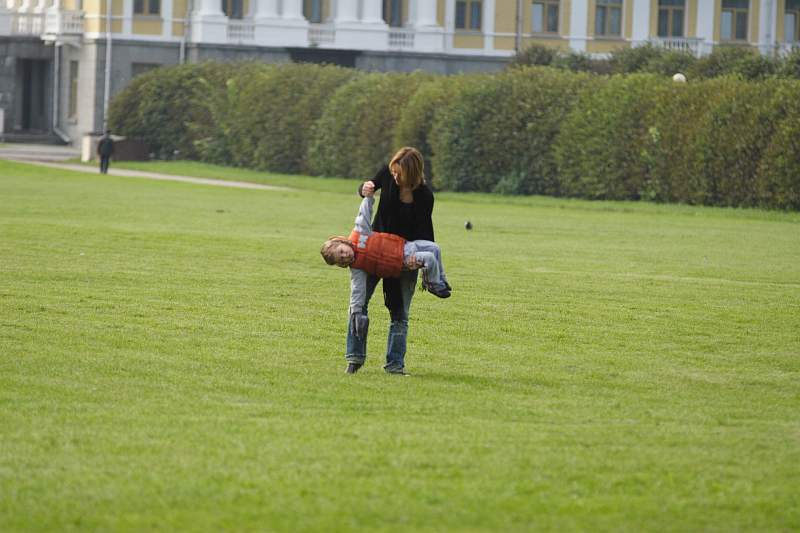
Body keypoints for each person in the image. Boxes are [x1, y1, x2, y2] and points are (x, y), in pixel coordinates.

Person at [334, 147, 446, 376]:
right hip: (373, 251)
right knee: (358, 305)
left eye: (399, 174)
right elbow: (368, 189)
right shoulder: (387, 175)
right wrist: (363, 188)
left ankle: (395, 365)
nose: (394, 177)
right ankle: (354, 359)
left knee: (400, 314)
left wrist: (418, 263)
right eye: (393, 173)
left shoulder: (425, 196)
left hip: (404, 256)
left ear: (412, 174)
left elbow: (424, 231)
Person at [321, 193, 451, 299]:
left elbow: (363, 214)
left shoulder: (359, 234)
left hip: (405, 245)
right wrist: (356, 310)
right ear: (341, 264)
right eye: (342, 259)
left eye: (342, 252)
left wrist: (369, 197)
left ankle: (441, 280)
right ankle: (431, 283)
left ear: (343, 242)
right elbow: (357, 290)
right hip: (402, 260)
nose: (345, 256)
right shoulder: (357, 267)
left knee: (434, 248)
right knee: (429, 258)